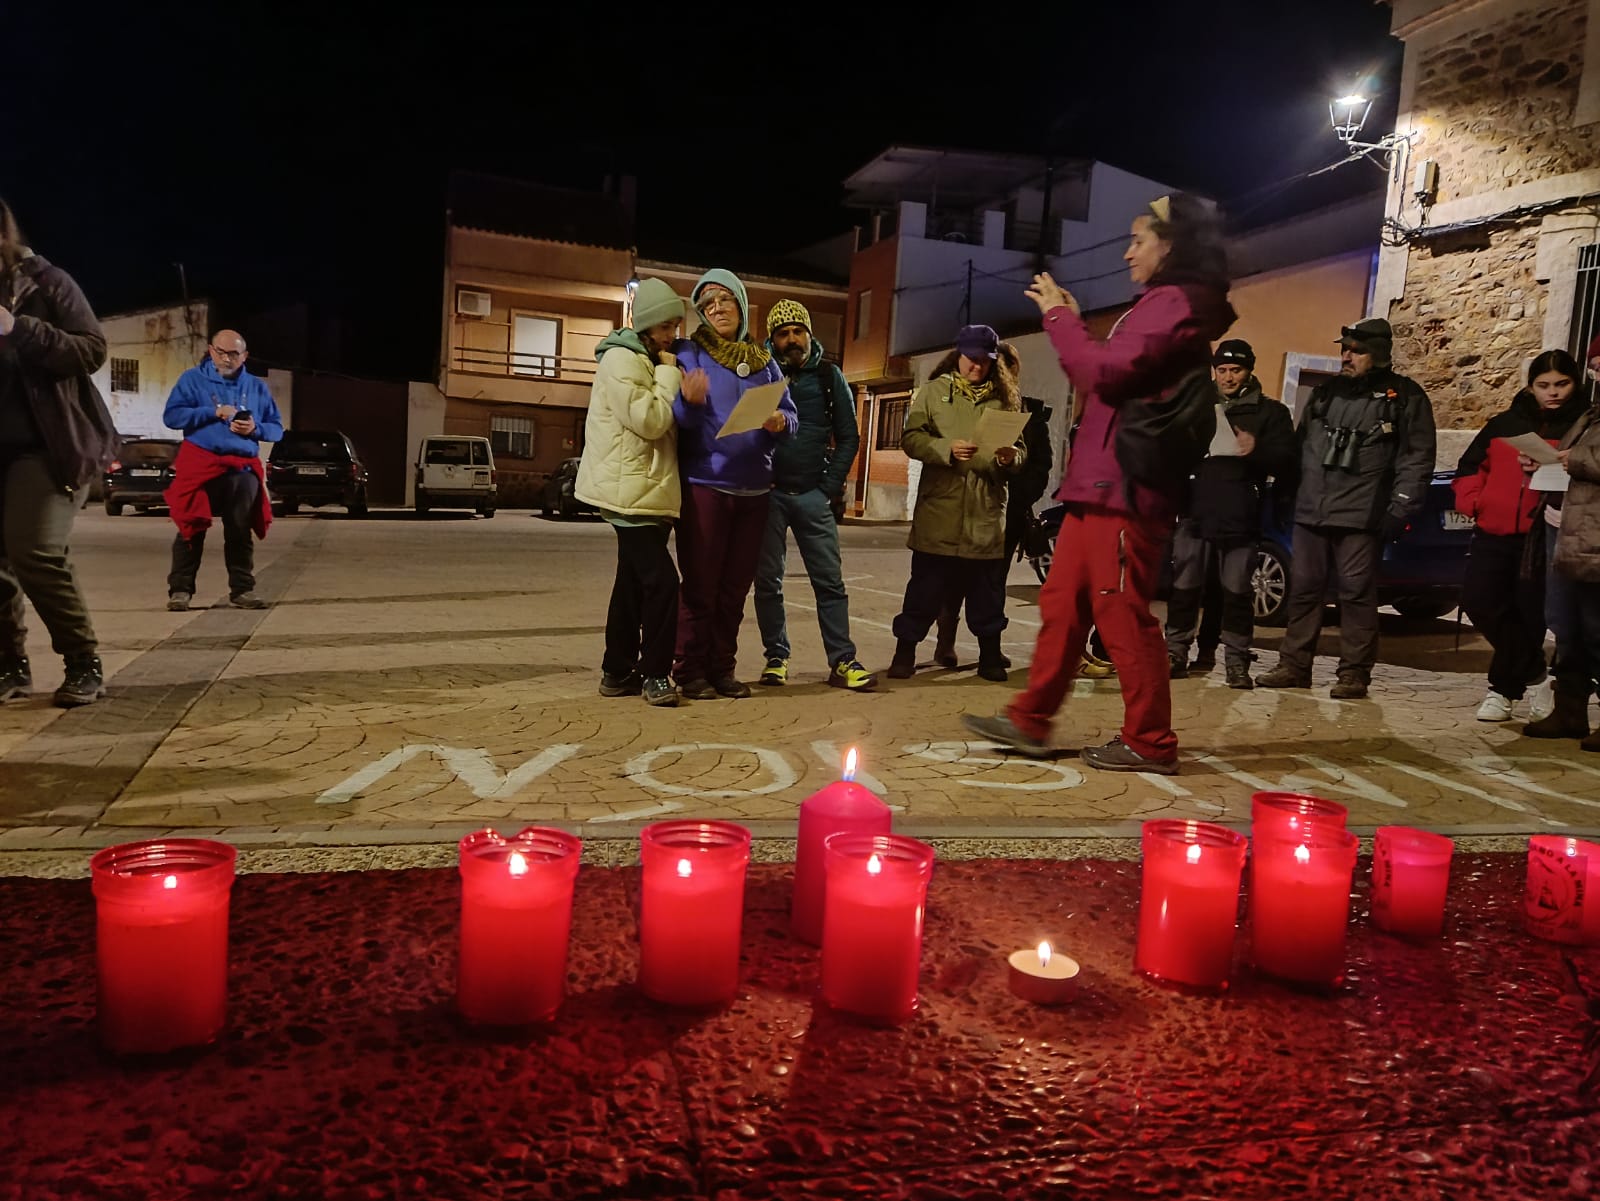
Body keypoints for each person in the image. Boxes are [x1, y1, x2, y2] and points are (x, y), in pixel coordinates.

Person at [963, 193, 1236, 773]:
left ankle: (1150, 740)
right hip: (1101, 485)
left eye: (1139, 239)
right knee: (1064, 604)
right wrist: (1072, 320)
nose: (1127, 250)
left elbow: (1103, 375)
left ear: (1173, 245)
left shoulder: (1175, 304)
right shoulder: (1160, 304)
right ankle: (1029, 720)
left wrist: (1061, 319)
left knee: (1120, 611)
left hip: (1126, 491)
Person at [1256, 318, 1436, 700]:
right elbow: (1301, 444)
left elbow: (1417, 458)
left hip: (1361, 512)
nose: (1346, 356)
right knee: (1303, 589)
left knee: (1356, 594)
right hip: (1311, 510)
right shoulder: (1325, 394)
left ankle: (1354, 672)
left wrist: (1400, 508)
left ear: (1380, 353)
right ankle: (1294, 664)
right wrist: (1288, 490)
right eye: (1345, 349)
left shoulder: (1405, 397)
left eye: (1356, 350)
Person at [0, 196, 118, 707]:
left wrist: (18, 327)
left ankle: (82, 661)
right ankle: (9, 667)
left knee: (35, 551)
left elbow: (90, 349)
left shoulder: (45, 283)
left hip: (46, 448)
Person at [671, 270, 797, 699]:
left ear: (742, 305)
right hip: (706, 485)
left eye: (725, 300)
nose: (718, 309)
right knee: (701, 585)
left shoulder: (764, 361)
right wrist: (688, 404)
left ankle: (722, 669)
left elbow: (791, 415)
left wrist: (781, 421)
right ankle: (689, 671)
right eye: (708, 306)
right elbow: (680, 422)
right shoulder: (690, 354)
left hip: (755, 491)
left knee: (734, 589)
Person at [1451, 349, 1586, 722]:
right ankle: (1536, 674)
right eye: (1543, 385)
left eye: (1562, 384)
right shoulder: (1503, 424)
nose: (1553, 392)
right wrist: (1475, 501)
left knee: (1529, 614)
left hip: (1543, 532)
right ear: (1530, 387)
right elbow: (1468, 466)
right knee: (1481, 603)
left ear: (1575, 384)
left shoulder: (1583, 426)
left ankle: (1502, 691)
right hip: (1493, 529)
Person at [888, 325, 1026, 683]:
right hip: (941, 511)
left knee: (987, 594)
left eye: (985, 361)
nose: (977, 367)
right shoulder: (934, 393)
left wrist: (1012, 458)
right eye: (971, 360)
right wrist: (944, 448)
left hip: (984, 514)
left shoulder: (1005, 398)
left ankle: (990, 656)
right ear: (958, 355)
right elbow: (911, 438)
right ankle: (905, 652)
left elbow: (1022, 451)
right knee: (924, 589)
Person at [574, 278, 688, 707]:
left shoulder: (640, 357)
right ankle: (656, 674)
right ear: (646, 325)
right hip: (629, 495)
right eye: (665, 326)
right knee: (663, 584)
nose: (671, 335)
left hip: (644, 491)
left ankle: (616, 669)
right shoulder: (622, 360)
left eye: (676, 326)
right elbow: (651, 420)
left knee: (631, 585)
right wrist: (668, 372)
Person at [753, 299, 875, 691]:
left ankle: (842, 661)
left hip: (812, 495)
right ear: (772, 339)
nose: (792, 339)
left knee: (829, 583)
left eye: (797, 331)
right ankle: (776, 657)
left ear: (809, 334)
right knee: (767, 582)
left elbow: (849, 436)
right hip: (767, 496)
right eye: (783, 333)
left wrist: (828, 488)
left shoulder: (828, 375)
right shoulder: (759, 374)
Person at [1164, 338, 1296, 689]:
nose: (1227, 377)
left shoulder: (1271, 412)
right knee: (1184, 587)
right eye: (1221, 370)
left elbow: (1287, 460)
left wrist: (1256, 449)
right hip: (1194, 512)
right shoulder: (1197, 406)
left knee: (1237, 593)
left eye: (1235, 370)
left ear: (1249, 371)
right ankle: (1175, 652)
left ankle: (1236, 662)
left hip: (1240, 515)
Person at [162, 330, 283, 611]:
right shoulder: (191, 380)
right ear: (210, 350)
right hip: (201, 465)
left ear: (245, 356)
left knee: (240, 531)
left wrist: (256, 429)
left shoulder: (256, 387)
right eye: (221, 352)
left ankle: (242, 590)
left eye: (234, 354)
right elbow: (172, 417)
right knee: (191, 527)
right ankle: (180, 590)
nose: (227, 359)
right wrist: (210, 412)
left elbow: (277, 428)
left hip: (242, 469)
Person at [933, 394, 1053, 671]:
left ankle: (991, 650)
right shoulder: (970, 403)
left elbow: (1040, 463)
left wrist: (1019, 497)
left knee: (994, 580)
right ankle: (946, 640)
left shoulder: (1029, 412)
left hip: (1007, 514)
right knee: (956, 576)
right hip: (965, 508)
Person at [1524, 333, 1600, 749]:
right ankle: (1569, 711)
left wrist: (1576, 460)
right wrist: (1540, 467)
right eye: (1598, 365)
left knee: (1596, 629)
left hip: (1595, 540)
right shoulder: (1589, 416)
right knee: (1566, 626)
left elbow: (1584, 463)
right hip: (1566, 529)